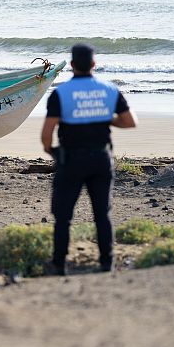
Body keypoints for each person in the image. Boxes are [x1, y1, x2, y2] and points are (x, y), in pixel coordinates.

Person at [41, 43, 137, 275]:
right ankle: (106, 263)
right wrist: (105, 118)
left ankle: (59, 265)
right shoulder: (109, 90)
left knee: (63, 217)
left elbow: (47, 135)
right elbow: (129, 122)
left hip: (71, 159)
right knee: (102, 214)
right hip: (101, 159)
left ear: (72, 65)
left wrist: (51, 151)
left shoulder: (60, 93)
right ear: (94, 64)